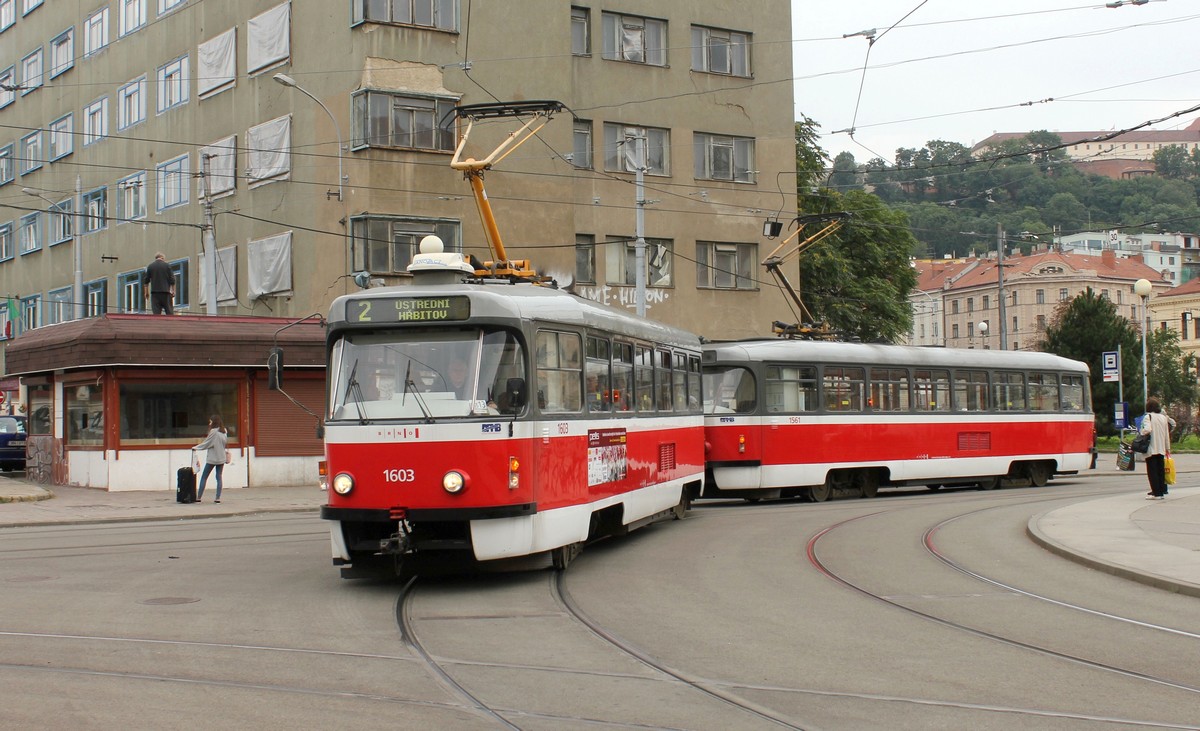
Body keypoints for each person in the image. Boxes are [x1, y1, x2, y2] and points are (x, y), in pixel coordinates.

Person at [1139, 397, 1175, 500]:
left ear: (1148, 407)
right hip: (1161, 448)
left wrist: (1141, 432)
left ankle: (1156, 493)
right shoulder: (1163, 418)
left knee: (1152, 472)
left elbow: (1147, 430)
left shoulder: (1148, 417)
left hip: (1151, 448)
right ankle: (1161, 492)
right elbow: (1166, 435)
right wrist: (1167, 448)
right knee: (1160, 471)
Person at [191, 414, 228, 503]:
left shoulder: (213, 432)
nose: (209, 423)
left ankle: (199, 497)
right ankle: (217, 498)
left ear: (214, 422)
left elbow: (206, 443)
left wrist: (196, 447)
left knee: (204, 477)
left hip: (212, 458)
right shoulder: (224, 431)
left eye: (210, 421)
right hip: (221, 458)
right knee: (219, 477)